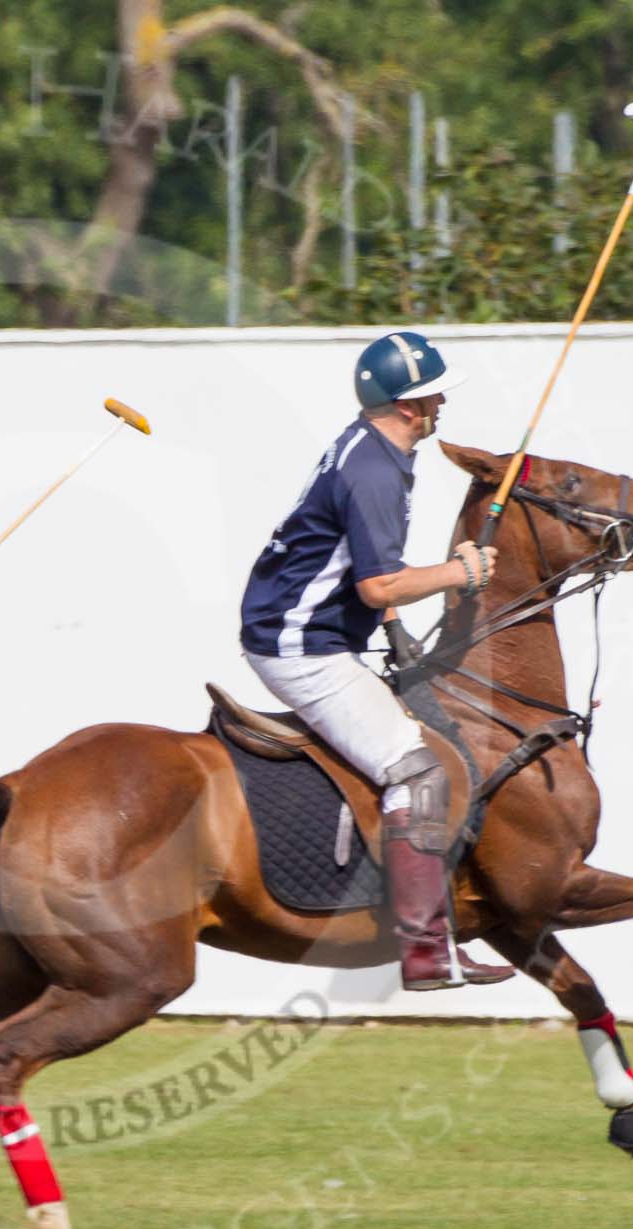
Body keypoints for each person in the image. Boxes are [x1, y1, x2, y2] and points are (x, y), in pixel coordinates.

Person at [238, 331, 516, 992]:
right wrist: (459, 571)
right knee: (416, 774)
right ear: (410, 404)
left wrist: (393, 631)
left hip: (311, 630)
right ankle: (425, 952)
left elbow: (361, 573)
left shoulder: (374, 450)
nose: (442, 402)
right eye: (434, 392)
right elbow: (376, 584)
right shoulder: (373, 471)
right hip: (301, 646)